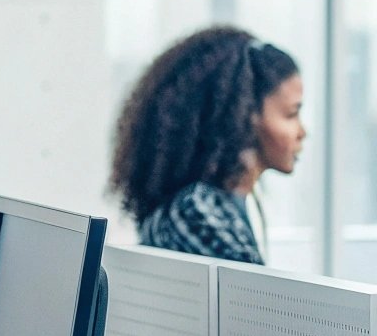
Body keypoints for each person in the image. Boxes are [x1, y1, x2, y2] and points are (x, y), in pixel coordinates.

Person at [109, 26, 304, 264]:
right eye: (291, 114)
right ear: (245, 115)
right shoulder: (198, 216)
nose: (302, 132)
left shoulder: (211, 206)